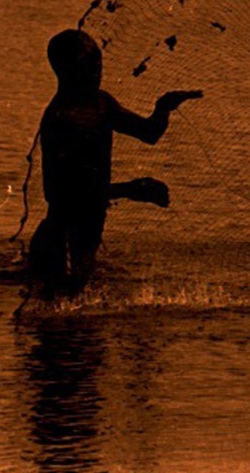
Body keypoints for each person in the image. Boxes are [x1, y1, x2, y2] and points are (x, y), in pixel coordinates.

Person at [26, 29, 201, 298]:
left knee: (80, 297)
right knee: (62, 299)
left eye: (98, 64)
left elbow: (148, 133)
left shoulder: (101, 104)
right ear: (65, 70)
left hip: (89, 227)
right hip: (61, 237)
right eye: (87, 66)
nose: (97, 72)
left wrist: (163, 109)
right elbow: (63, 194)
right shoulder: (61, 119)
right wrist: (130, 190)